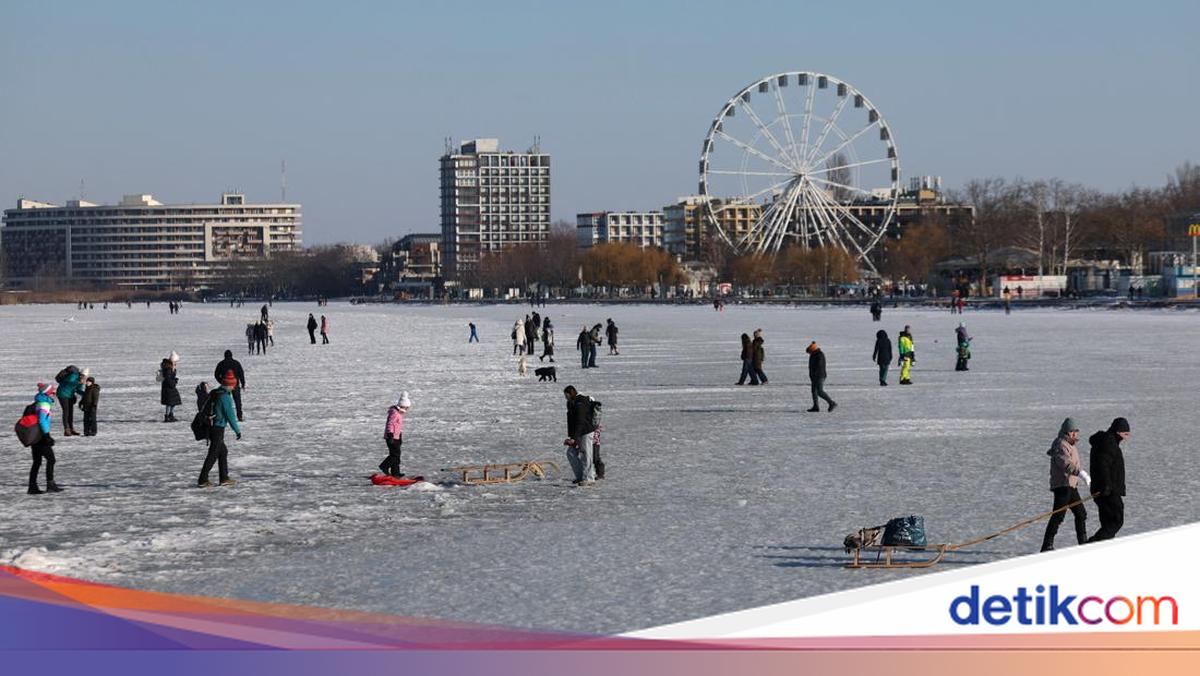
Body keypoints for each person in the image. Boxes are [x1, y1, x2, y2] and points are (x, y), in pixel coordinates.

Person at [1040, 417, 1090, 552]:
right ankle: (1046, 546)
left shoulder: (1070, 445)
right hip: (1062, 486)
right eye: (1072, 431)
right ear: (1066, 432)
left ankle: (1083, 543)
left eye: (1076, 431)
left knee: (1081, 514)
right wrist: (1082, 474)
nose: (1074, 434)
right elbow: (1066, 464)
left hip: (1071, 486)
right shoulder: (1061, 445)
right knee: (1058, 516)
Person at [1087, 417, 1130, 543]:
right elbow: (1103, 465)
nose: (1127, 438)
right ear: (1118, 432)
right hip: (1107, 490)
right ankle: (1091, 544)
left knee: (1107, 522)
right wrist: (1106, 485)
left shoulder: (1106, 441)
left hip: (1103, 489)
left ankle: (1100, 547)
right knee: (1116, 519)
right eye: (1125, 434)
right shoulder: (1108, 443)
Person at [199, 370, 242, 487]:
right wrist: (237, 431)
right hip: (217, 428)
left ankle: (224, 478)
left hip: (212, 426)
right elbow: (230, 416)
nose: (234, 388)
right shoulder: (225, 397)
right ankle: (202, 479)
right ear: (230, 385)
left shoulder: (216, 392)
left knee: (223, 451)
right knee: (213, 454)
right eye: (233, 385)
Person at [28, 383, 61, 494]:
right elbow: (42, 420)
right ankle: (50, 485)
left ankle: (32, 487)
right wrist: (47, 436)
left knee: (37, 462)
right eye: (52, 391)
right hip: (41, 436)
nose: (54, 393)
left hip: (34, 435)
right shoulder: (44, 404)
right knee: (51, 459)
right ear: (47, 392)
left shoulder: (38, 402)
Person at [563, 385, 599, 485]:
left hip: (586, 431)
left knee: (586, 454)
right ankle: (580, 476)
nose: (566, 397)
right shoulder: (571, 403)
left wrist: (574, 438)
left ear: (571, 393)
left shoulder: (581, 402)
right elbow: (571, 421)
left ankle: (589, 478)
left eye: (567, 395)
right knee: (571, 453)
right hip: (577, 433)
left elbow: (580, 421)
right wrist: (571, 437)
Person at [379, 392, 411, 478]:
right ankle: (384, 466)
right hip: (391, 437)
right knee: (394, 455)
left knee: (397, 455)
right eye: (407, 407)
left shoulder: (399, 413)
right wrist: (390, 435)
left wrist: (399, 436)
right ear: (402, 406)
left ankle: (395, 473)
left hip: (396, 437)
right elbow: (390, 424)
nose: (407, 409)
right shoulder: (395, 413)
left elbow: (397, 426)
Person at [214, 350, 246, 422]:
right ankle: (239, 416)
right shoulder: (236, 363)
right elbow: (241, 374)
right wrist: (243, 383)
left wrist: (221, 381)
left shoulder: (221, 363)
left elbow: (216, 374)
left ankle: (225, 416)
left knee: (225, 401)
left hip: (225, 385)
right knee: (237, 401)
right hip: (235, 385)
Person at [805, 342, 837, 412]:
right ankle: (816, 406)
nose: (809, 353)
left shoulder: (819, 355)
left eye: (809, 352)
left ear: (812, 350)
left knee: (820, 391)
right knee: (814, 391)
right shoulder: (813, 355)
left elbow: (819, 366)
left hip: (820, 376)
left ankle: (832, 403)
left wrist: (815, 374)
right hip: (814, 376)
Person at [54, 365, 83, 436]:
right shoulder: (74, 375)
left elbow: (78, 390)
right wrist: (78, 382)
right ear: (81, 375)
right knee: (66, 411)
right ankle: (66, 430)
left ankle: (71, 428)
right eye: (84, 377)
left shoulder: (80, 381)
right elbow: (70, 381)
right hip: (62, 394)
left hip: (70, 395)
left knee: (71, 412)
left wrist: (85, 394)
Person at [160, 353, 182, 422]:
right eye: (175, 362)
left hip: (170, 388)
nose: (176, 363)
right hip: (168, 388)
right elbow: (168, 379)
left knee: (173, 402)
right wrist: (174, 381)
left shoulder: (170, 368)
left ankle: (170, 415)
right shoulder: (168, 369)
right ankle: (167, 416)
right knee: (169, 403)